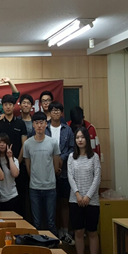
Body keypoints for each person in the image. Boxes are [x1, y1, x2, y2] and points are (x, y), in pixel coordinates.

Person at [68, 126, 101, 254]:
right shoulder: (71, 157)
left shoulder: (94, 157)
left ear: (87, 139)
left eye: (82, 137)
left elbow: (97, 178)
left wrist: (87, 196)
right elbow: (70, 177)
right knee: (79, 231)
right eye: (77, 137)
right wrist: (78, 194)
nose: (80, 140)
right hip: (75, 200)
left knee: (92, 231)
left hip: (91, 201)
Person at [23, 112, 61, 237]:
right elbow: (28, 167)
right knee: (37, 223)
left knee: (51, 222)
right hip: (34, 188)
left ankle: (54, 247)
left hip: (50, 188)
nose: (39, 125)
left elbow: (56, 166)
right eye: (36, 123)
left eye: (42, 123)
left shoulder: (53, 142)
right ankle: (38, 247)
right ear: (33, 125)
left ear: (46, 124)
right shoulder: (27, 144)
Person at [46, 101, 75, 245]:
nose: (56, 112)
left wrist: (62, 159)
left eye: (58, 110)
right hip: (47, 171)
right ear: (49, 112)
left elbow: (72, 148)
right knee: (49, 203)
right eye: (53, 110)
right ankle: (49, 233)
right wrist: (53, 162)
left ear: (61, 113)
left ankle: (64, 231)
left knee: (64, 202)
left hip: (63, 172)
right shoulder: (44, 128)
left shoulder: (67, 130)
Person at [0, 94, 29, 217]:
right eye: (5, 104)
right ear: (2, 106)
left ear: (14, 106)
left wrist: (15, 162)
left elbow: (24, 145)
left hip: (17, 164)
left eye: (10, 104)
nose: (8, 107)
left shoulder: (20, 124)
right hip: (1, 165)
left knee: (20, 200)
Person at [0, 133, 20, 212]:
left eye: (4, 142)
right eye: (0, 142)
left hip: (12, 196)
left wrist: (10, 157)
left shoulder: (14, 160)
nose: (2, 145)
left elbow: (15, 174)